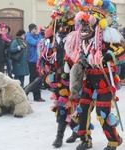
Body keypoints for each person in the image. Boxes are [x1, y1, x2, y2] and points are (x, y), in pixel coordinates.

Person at [65, 1, 123, 150]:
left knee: (102, 111)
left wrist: (110, 56)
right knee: (82, 109)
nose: (84, 27)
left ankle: (114, 141)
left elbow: (121, 51)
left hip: (104, 80)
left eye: (87, 23)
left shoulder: (107, 37)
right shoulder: (82, 41)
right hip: (89, 80)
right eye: (82, 23)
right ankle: (85, 140)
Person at [36, 0, 83, 147]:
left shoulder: (77, 39)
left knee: (74, 105)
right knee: (61, 106)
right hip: (57, 77)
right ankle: (67, 133)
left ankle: (69, 133)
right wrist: (43, 66)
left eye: (65, 25)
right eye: (59, 25)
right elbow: (43, 56)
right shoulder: (50, 40)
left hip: (74, 78)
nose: (62, 28)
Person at [25, 23, 45, 102]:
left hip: (37, 61)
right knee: (35, 79)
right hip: (32, 61)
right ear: (31, 29)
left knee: (35, 79)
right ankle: (35, 96)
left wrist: (41, 34)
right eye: (35, 29)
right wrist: (41, 36)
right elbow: (37, 43)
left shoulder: (36, 36)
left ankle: (27, 93)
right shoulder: (28, 37)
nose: (36, 30)